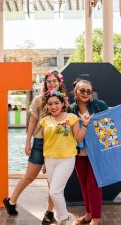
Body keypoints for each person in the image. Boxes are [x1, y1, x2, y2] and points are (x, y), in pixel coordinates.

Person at [3, 70, 66, 225]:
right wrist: (28, 141)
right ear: (46, 83)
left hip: (56, 145)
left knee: (52, 182)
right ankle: (11, 201)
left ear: (59, 83)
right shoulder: (39, 100)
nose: (51, 83)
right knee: (29, 176)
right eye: (49, 81)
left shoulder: (64, 100)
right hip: (39, 142)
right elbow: (32, 122)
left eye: (54, 81)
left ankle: (50, 212)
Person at [40, 90, 92, 225]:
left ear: (63, 103)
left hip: (66, 159)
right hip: (50, 160)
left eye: (56, 103)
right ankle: (63, 219)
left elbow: (79, 138)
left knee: (54, 191)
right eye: (50, 104)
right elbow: (46, 143)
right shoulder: (45, 121)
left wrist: (85, 124)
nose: (53, 106)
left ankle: (65, 219)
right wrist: (45, 163)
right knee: (57, 192)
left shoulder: (71, 117)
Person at [69, 79, 108, 225]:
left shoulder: (99, 105)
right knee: (84, 185)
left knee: (94, 186)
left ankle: (96, 219)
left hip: (96, 153)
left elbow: (110, 121)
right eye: (82, 90)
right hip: (79, 153)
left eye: (89, 91)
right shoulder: (70, 109)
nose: (85, 93)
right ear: (76, 91)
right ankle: (88, 214)